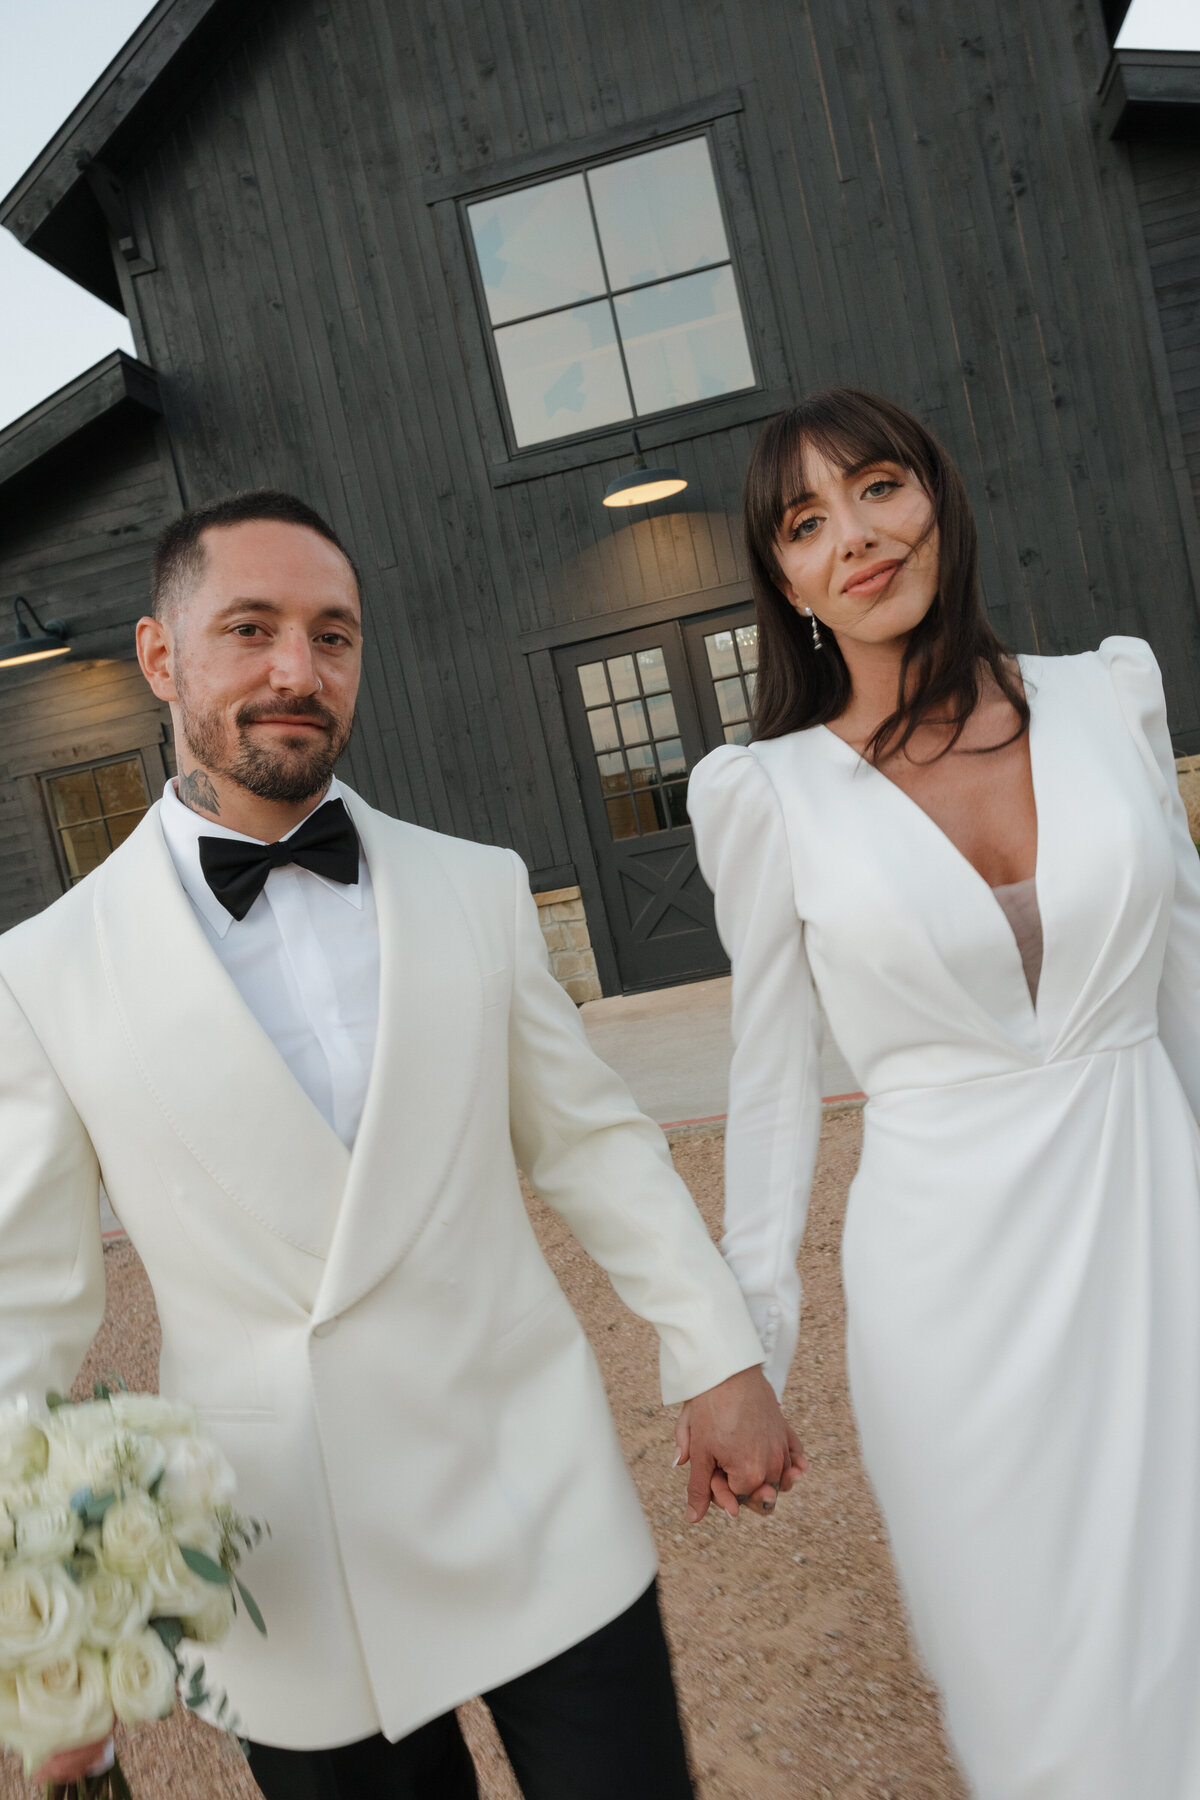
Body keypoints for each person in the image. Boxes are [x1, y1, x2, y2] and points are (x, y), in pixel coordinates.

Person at [0, 490, 805, 1800]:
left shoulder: (475, 886)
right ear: (161, 657)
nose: (295, 672)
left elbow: (593, 1145)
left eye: (334, 635)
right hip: (287, 1557)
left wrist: (717, 1354)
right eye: (249, 629)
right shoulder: (43, 974)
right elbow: (22, 1314)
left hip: (534, 1492)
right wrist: (35, 1627)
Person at [686, 388, 1200, 1800]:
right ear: (780, 579)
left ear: (939, 498)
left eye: (877, 488)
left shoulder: (1111, 694)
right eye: (805, 522)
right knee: (1038, 1688)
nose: (854, 536)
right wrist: (750, 1348)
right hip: (951, 1296)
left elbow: (1187, 979)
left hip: (1161, 1230)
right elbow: (773, 1077)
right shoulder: (765, 793)